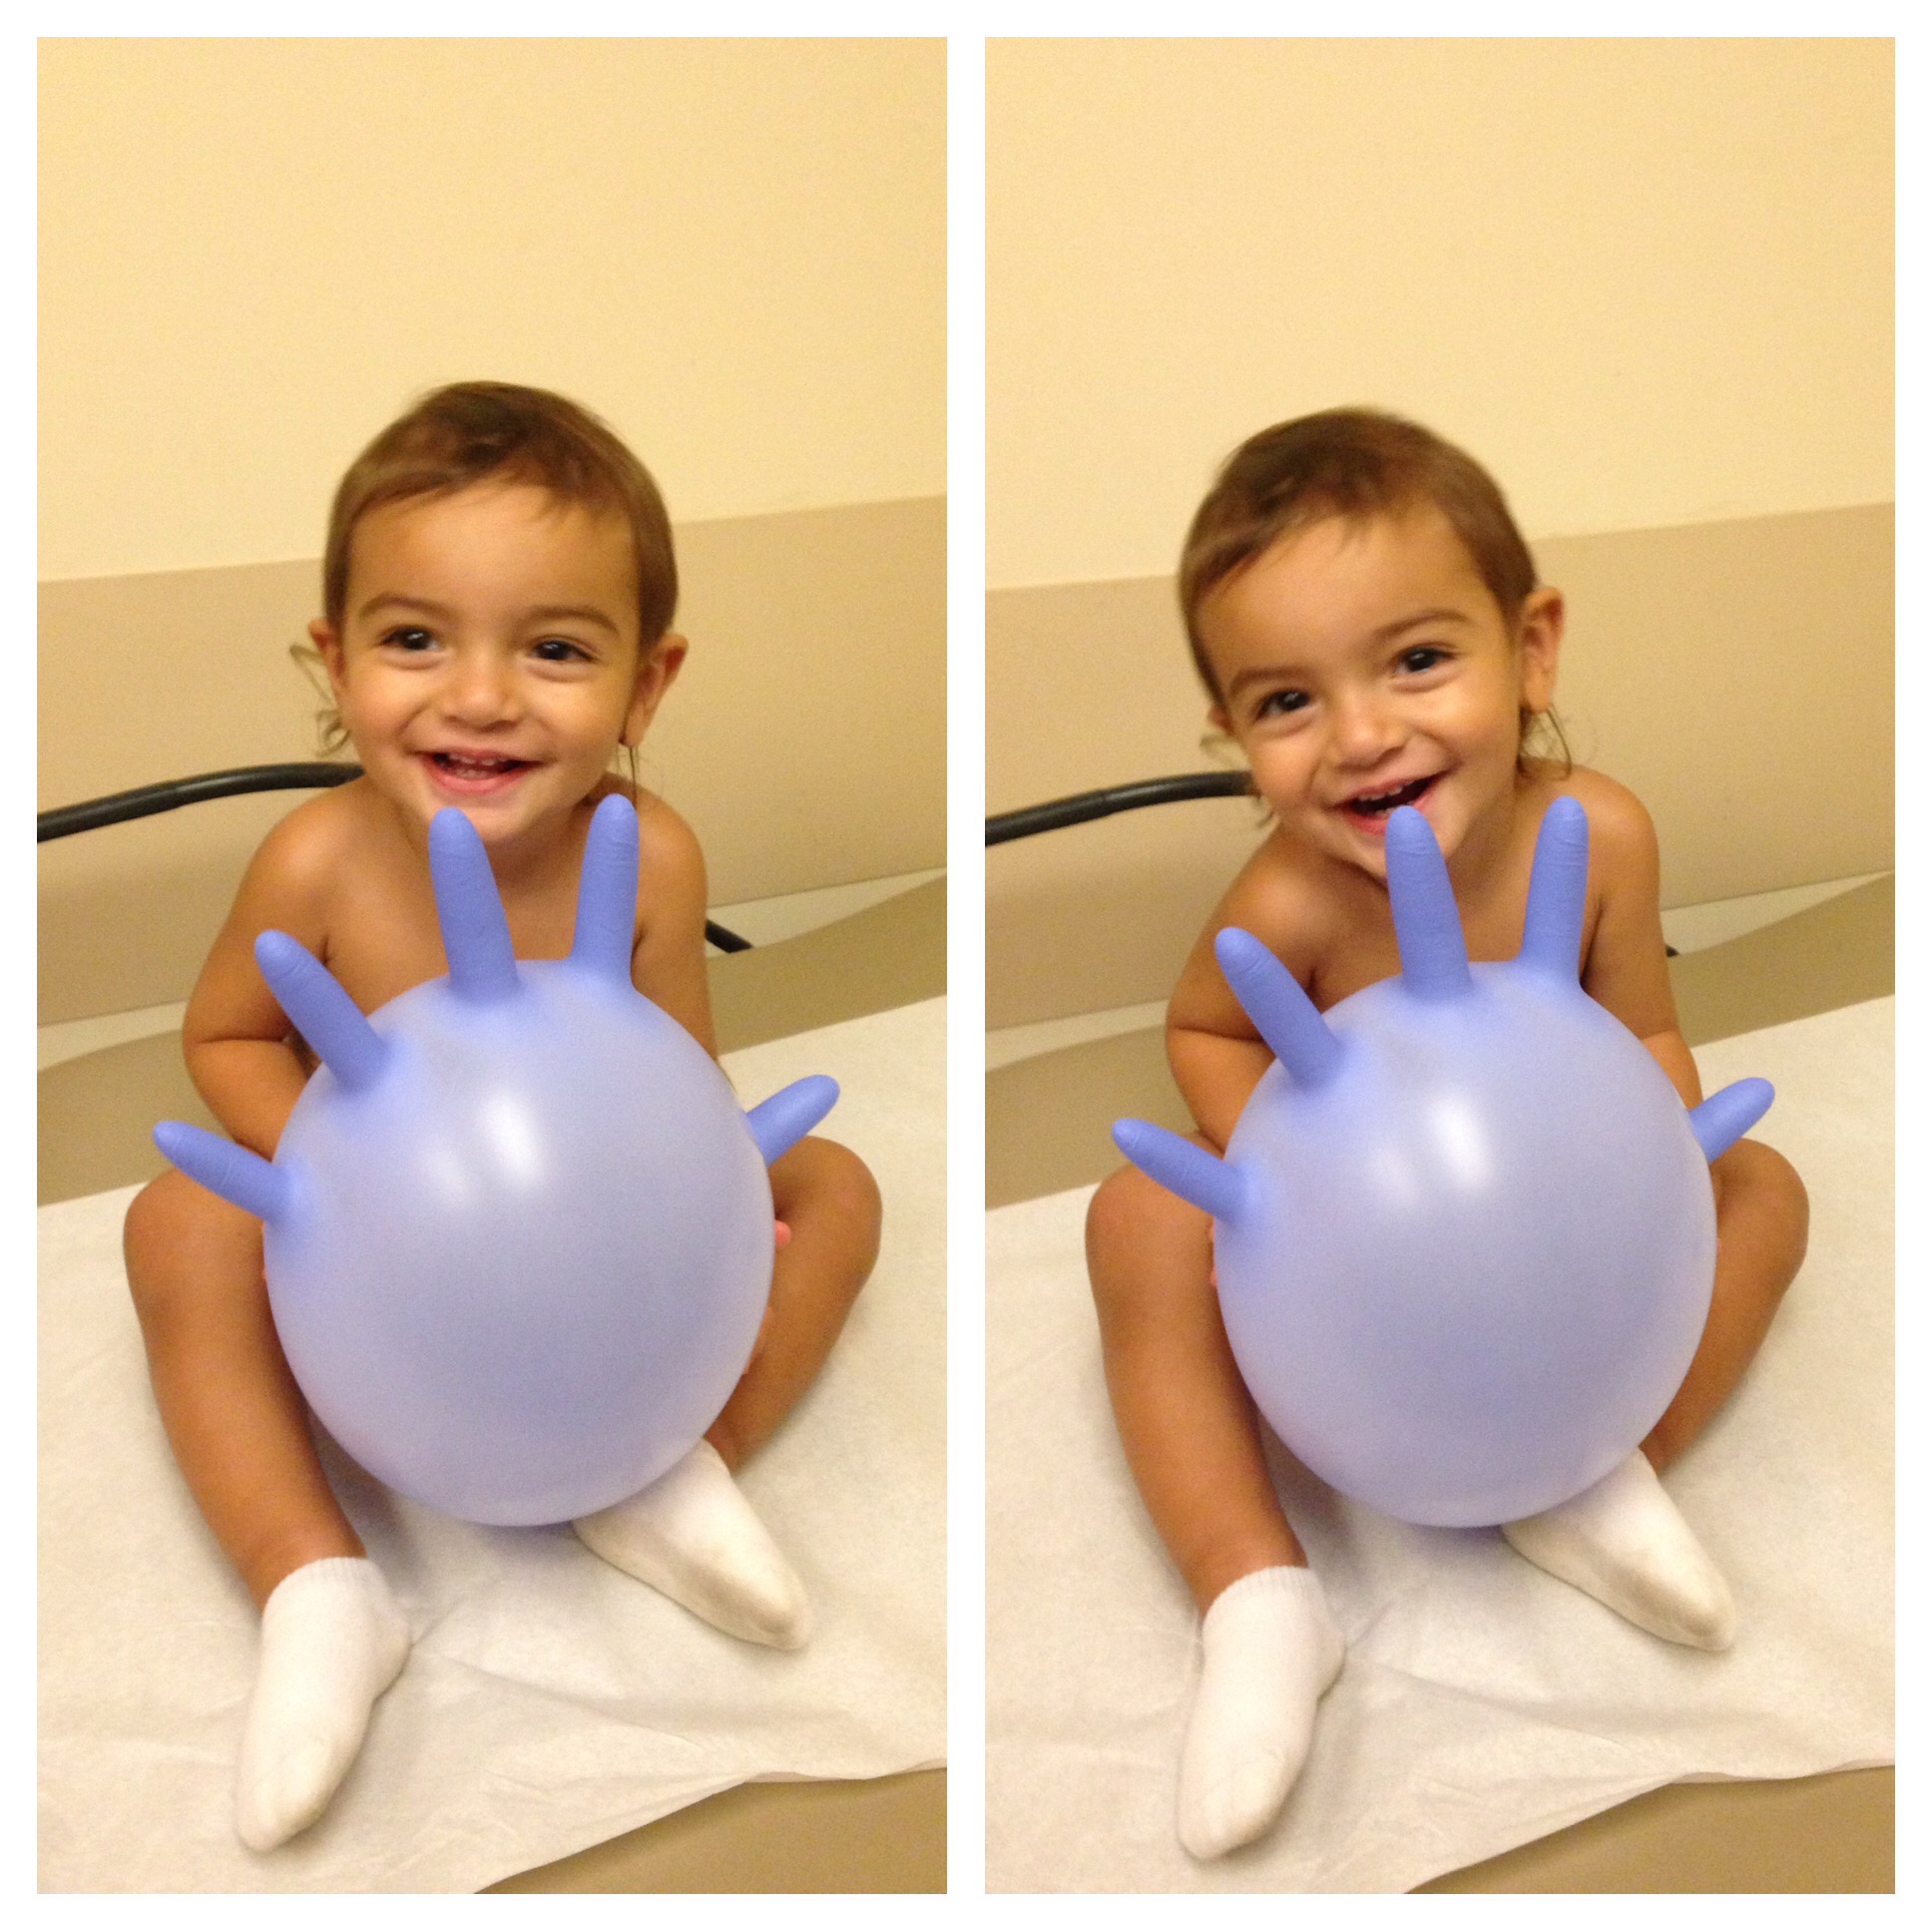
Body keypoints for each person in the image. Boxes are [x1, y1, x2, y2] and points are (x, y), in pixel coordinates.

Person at [122, 382, 882, 1851]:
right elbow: (223, 1036)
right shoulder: (318, 858)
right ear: (337, 660)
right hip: (376, 1277)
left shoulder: (650, 855)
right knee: (179, 1220)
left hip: (595, 1271)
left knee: (838, 1181)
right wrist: (346, 1182)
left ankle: (676, 1462)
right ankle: (316, 1584)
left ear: (646, 686)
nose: (480, 696)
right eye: (416, 640)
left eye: (554, 649)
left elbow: (680, 1074)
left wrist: (703, 1206)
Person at [1084, 407, 1809, 1862]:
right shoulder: (1290, 899)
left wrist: (1640, 1178)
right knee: (1136, 1218)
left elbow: (1645, 1034)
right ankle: (1257, 1596)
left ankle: (1603, 1466)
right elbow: (1209, 1031)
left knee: (1766, 1186)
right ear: (1235, 738)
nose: (1363, 736)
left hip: (1560, 1247)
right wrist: (1294, 1180)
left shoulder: (1599, 838)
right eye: (1287, 701)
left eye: (1417, 660)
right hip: (1359, 1279)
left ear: (1531, 650)